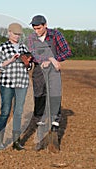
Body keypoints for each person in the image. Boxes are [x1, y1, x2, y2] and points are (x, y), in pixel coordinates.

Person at [27, 15, 72, 147]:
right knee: (39, 96)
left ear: (45, 25)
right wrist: (46, 60)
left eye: (39, 28)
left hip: (54, 71)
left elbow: (67, 51)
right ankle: (40, 134)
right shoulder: (31, 38)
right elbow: (33, 53)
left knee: (55, 96)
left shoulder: (55, 35)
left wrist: (54, 59)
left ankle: (54, 131)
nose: (37, 31)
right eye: (34, 28)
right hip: (39, 71)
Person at [0, 23, 31, 151]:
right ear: (9, 32)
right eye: (15, 34)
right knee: (5, 111)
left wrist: (27, 63)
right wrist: (11, 60)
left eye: (19, 34)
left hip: (22, 83)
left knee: (18, 112)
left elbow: (29, 67)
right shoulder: (2, 47)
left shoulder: (23, 47)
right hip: (7, 83)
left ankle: (16, 142)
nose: (17, 36)